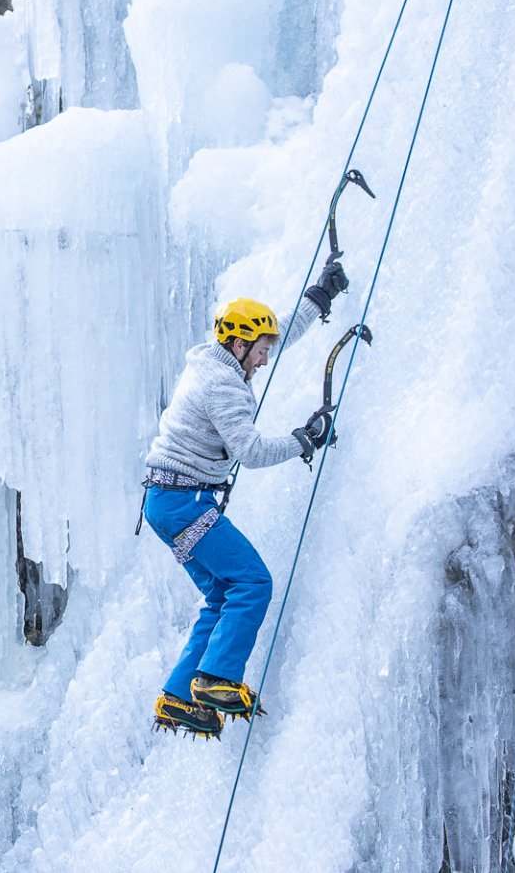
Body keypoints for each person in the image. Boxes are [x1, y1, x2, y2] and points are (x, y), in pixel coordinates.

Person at [142, 258, 349, 736]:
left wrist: (318, 299)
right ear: (238, 345)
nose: (263, 358)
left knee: (222, 593)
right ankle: (215, 681)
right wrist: (305, 440)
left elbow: (271, 335)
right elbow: (251, 452)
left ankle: (178, 697)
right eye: (258, 351)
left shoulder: (211, 359)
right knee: (253, 583)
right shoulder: (223, 388)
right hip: (184, 502)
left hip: (166, 502)